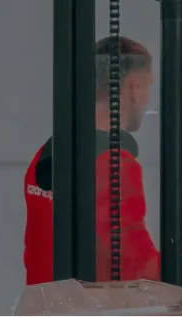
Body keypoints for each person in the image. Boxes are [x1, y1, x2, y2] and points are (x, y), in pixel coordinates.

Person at [24, 36, 159, 285]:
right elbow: (135, 261)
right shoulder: (113, 164)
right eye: (148, 86)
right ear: (134, 87)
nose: (148, 98)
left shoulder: (45, 158)